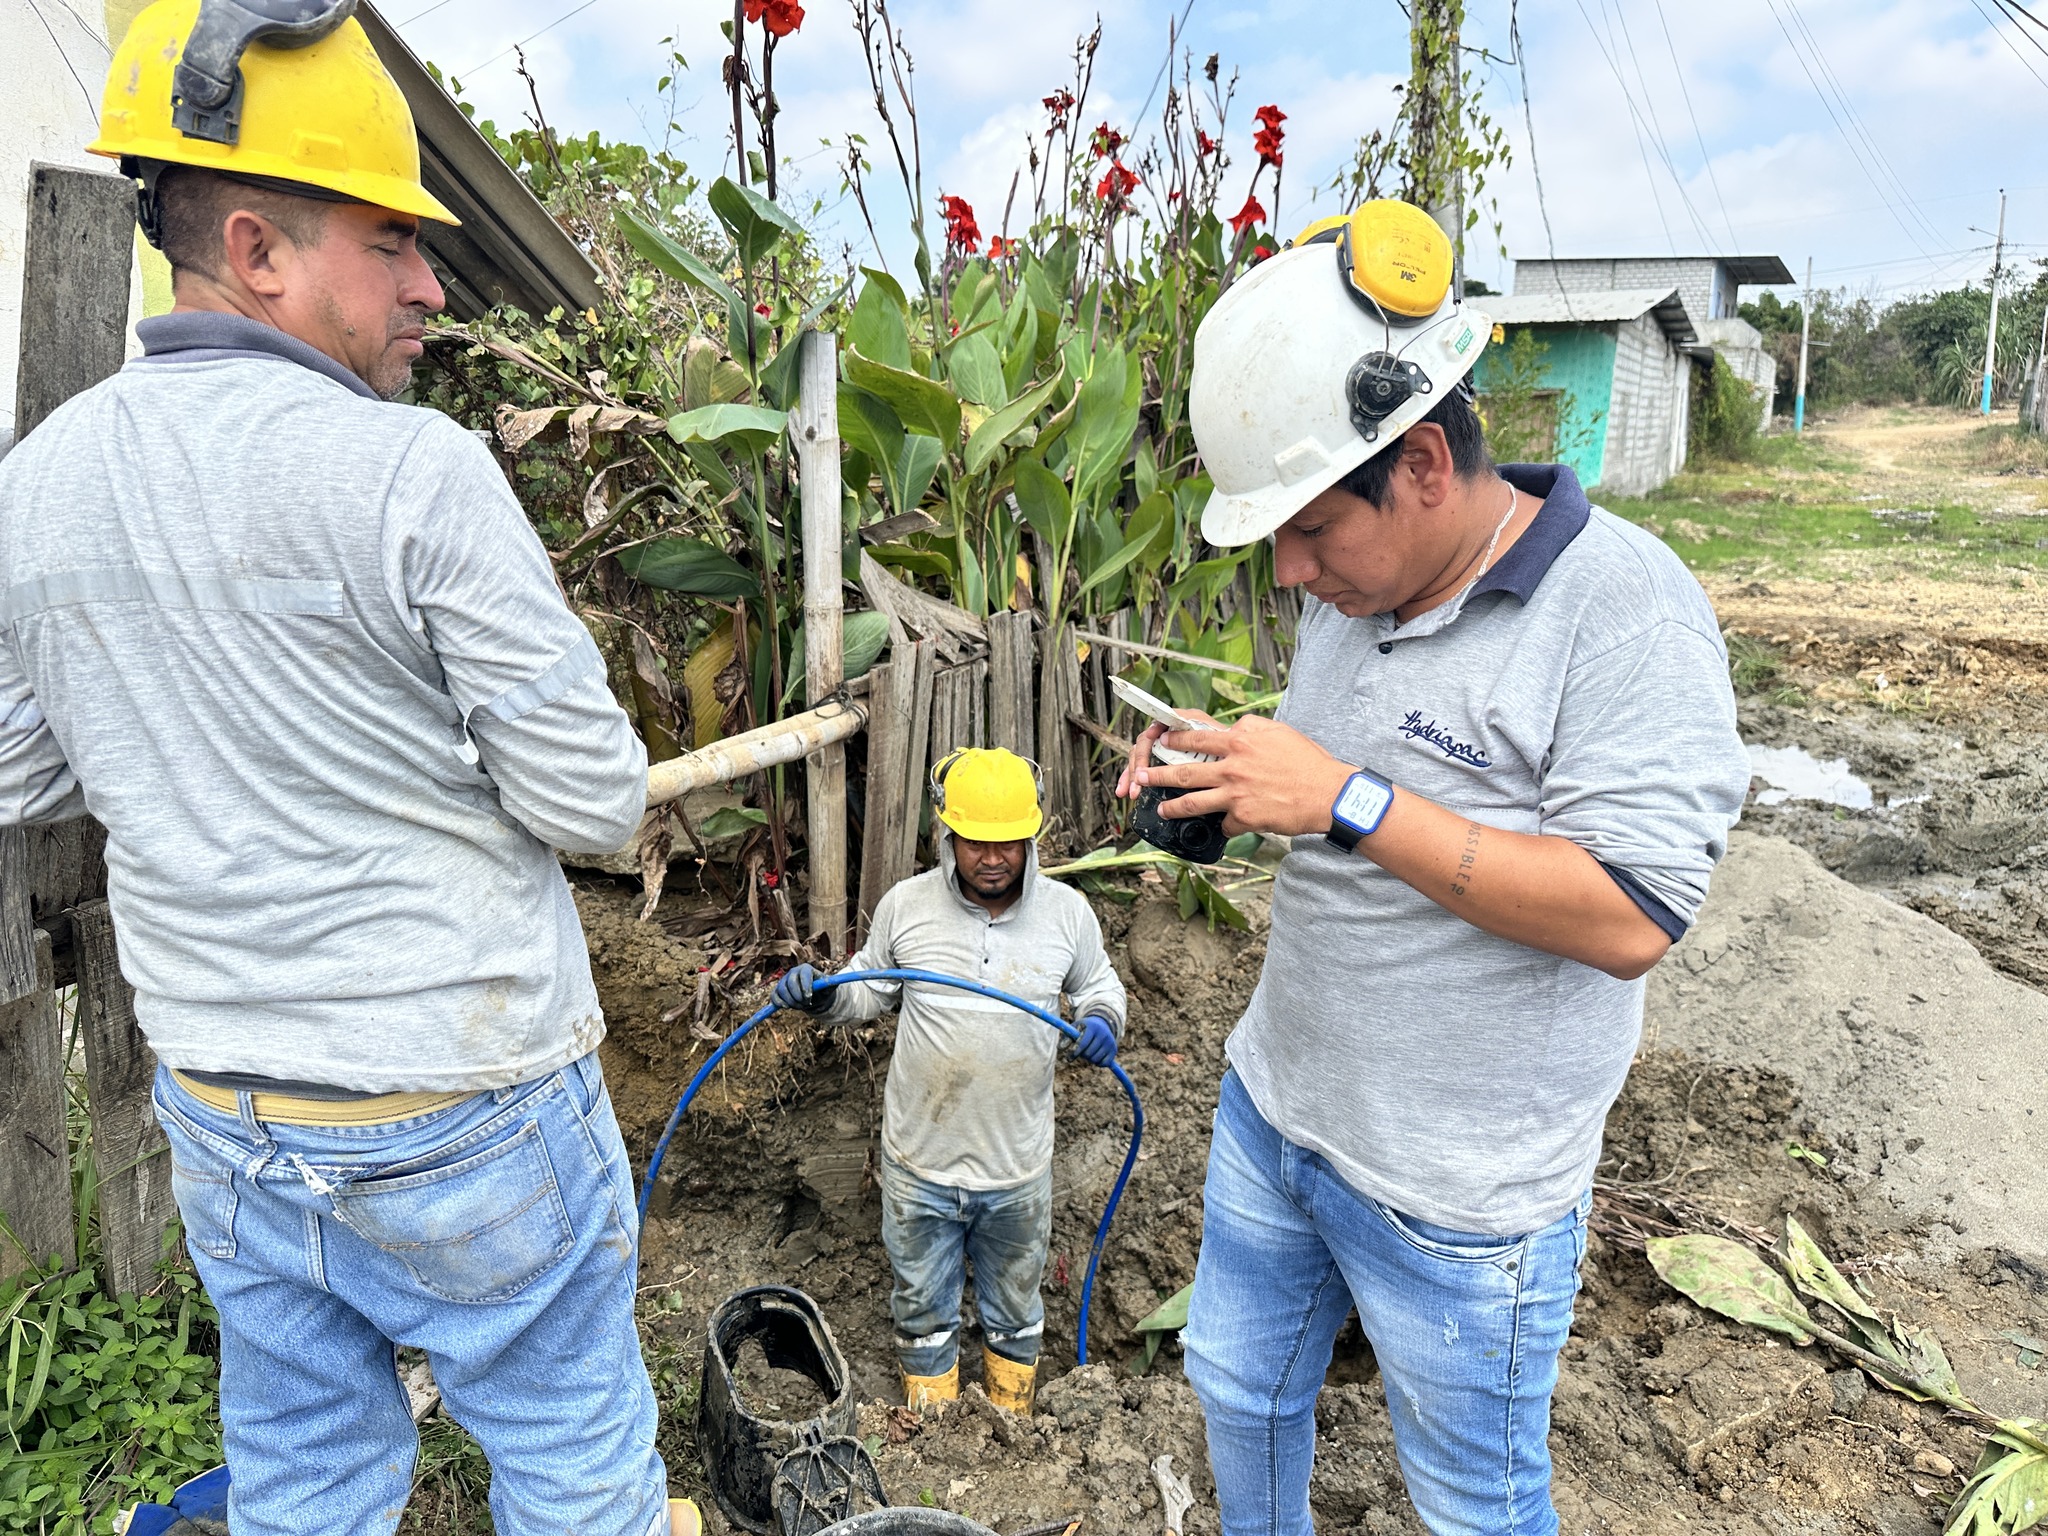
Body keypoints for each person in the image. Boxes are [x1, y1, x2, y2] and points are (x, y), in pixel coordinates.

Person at [0, 3, 694, 1531]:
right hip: (461, 1097)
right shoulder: (413, 472)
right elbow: (591, 798)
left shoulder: (35, 490)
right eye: (391, 242)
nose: (431, 283)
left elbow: (20, 771)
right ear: (257, 250)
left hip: (229, 1110)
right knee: (573, 1462)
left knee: (305, 1473)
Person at [1118, 202, 1751, 1535]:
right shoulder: (1361, 593)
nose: (1289, 570)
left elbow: (1631, 914)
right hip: (1278, 1111)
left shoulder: (1623, 613)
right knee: (1234, 1386)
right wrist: (1235, 778)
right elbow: (1346, 789)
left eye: (1309, 531)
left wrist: (1345, 799)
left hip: (1460, 1199)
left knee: (1473, 1506)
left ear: (1416, 464)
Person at [773, 748, 1126, 1415]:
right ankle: (932, 1427)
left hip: (1015, 1169)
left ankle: (1012, 1423)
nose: (991, 859)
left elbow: (1099, 986)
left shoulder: (1067, 915)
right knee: (921, 1305)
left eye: (1006, 844)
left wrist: (1103, 1019)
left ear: (1030, 839)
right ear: (948, 836)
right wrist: (822, 996)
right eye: (974, 842)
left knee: (1015, 1308)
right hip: (920, 1166)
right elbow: (868, 988)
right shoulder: (907, 907)